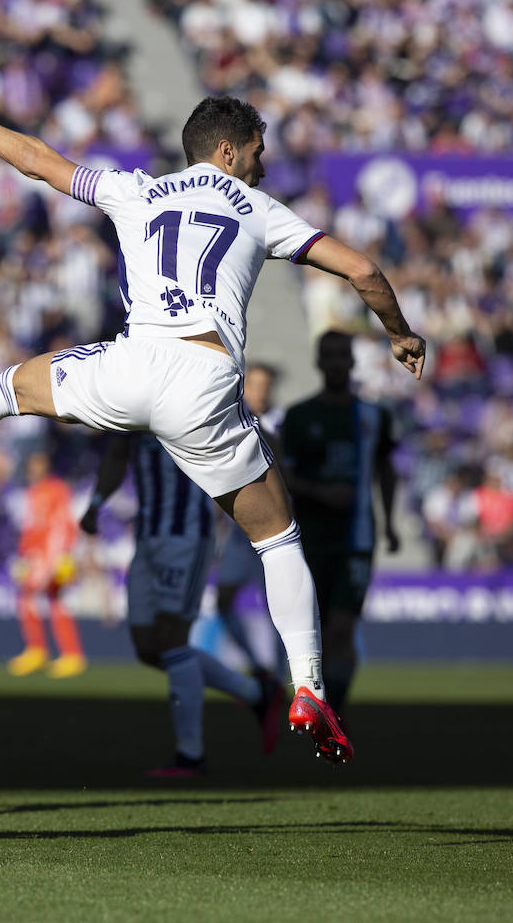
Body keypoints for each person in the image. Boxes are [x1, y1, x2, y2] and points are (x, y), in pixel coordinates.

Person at [0, 57, 427, 764]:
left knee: (3, 391)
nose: (265, 168)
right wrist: (398, 331)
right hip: (203, 380)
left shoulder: (135, 190)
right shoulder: (259, 209)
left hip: (133, 363)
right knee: (278, 541)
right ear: (229, 151)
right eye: (260, 154)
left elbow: (40, 163)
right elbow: (362, 269)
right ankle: (307, 689)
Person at [82, 433, 283, 777]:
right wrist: (96, 502)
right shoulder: (129, 401)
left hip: (187, 534)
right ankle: (257, 693)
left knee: (171, 637)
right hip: (146, 535)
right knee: (148, 647)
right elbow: (117, 455)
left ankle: (191, 755)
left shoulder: (188, 394)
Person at [278, 330, 400, 713]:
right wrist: (319, 491)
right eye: (327, 355)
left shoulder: (373, 416)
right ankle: (319, 708)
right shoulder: (298, 417)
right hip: (310, 539)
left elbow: (386, 470)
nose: (334, 362)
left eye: (341, 355)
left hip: (355, 541)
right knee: (315, 633)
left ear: (351, 361)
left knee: (343, 629)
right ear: (318, 362)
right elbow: (283, 478)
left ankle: (335, 715)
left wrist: (392, 521)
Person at [213, 363, 281, 664]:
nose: (260, 391)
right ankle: (257, 664)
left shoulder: (279, 424)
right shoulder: (230, 422)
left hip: (274, 533)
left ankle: (284, 674)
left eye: (265, 386)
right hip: (240, 536)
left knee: (279, 606)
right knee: (223, 601)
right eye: (255, 385)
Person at [8, 451, 86, 678]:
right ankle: (65, 653)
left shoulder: (57, 489)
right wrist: (24, 553)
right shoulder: (33, 491)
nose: (35, 468)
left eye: (39, 462)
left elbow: (65, 522)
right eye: (32, 463)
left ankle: (43, 650)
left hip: (51, 554)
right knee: (51, 600)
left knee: (33, 597)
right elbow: (31, 527)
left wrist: (64, 554)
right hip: (36, 554)